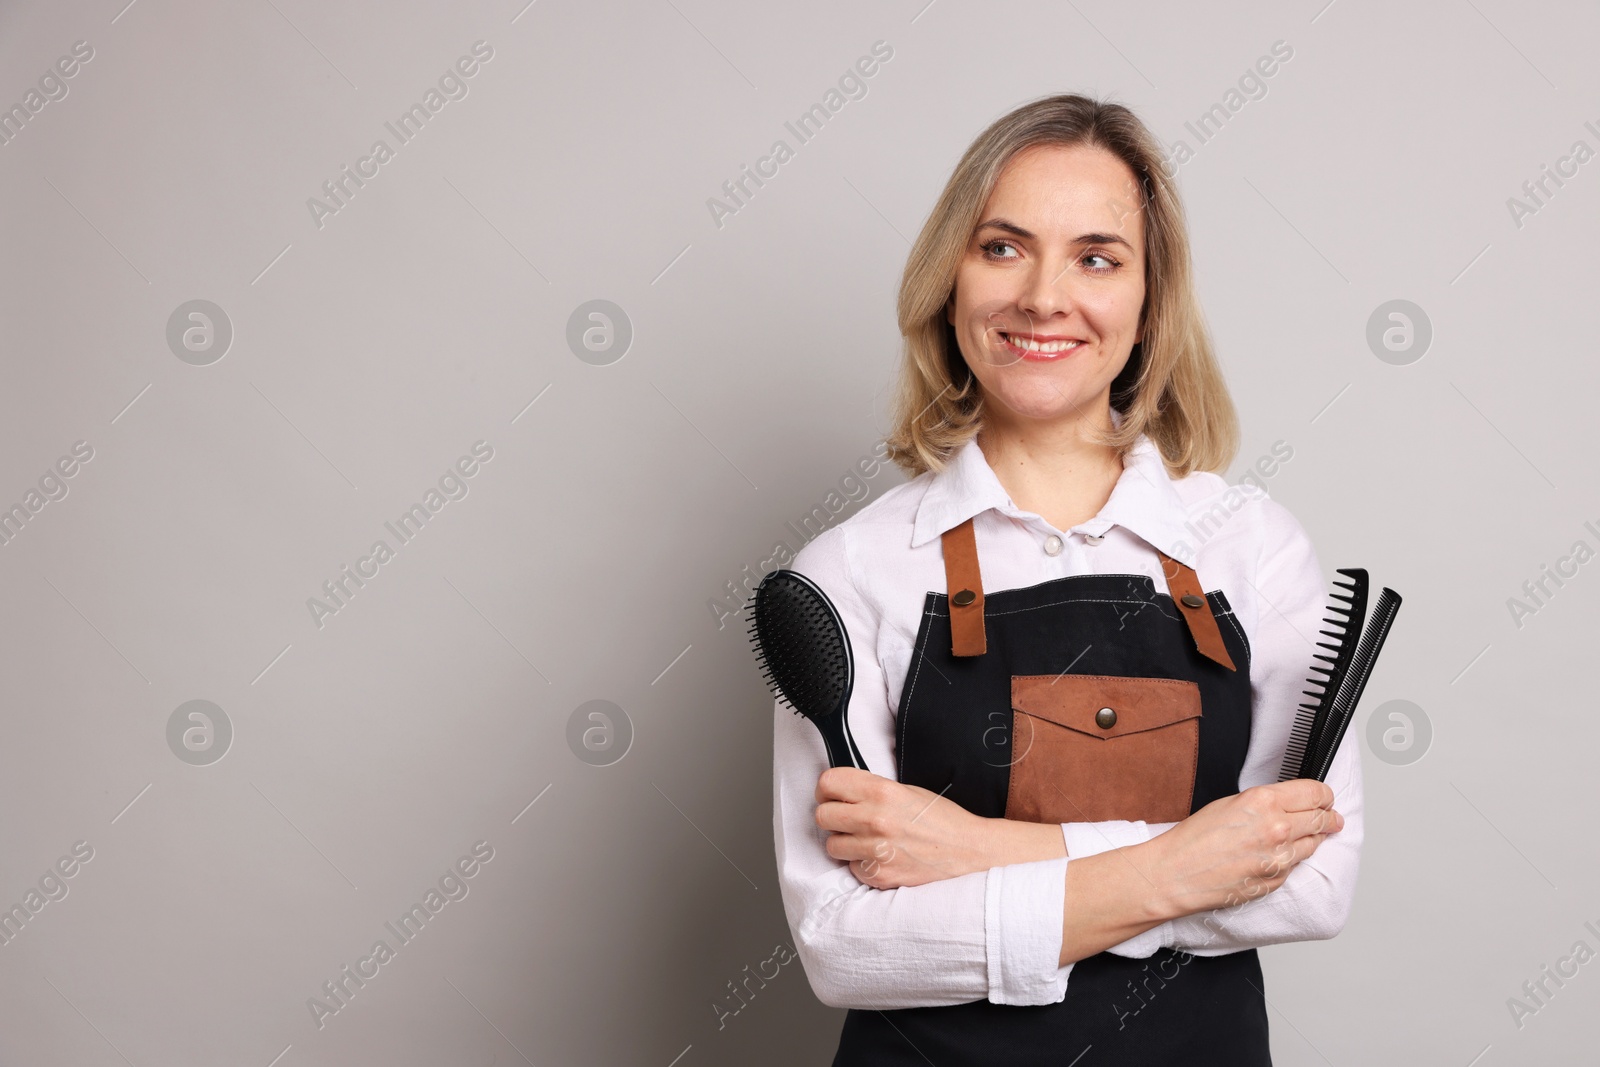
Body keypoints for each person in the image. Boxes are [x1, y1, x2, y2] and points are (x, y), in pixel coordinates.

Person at [770, 93, 1361, 1066]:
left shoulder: (1250, 548)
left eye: (1096, 256)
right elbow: (845, 945)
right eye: (1002, 246)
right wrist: (1180, 864)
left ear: (1147, 300)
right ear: (948, 280)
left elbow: (1312, 879)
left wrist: (982, 850)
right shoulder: (851, 572)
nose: (1044, 296)